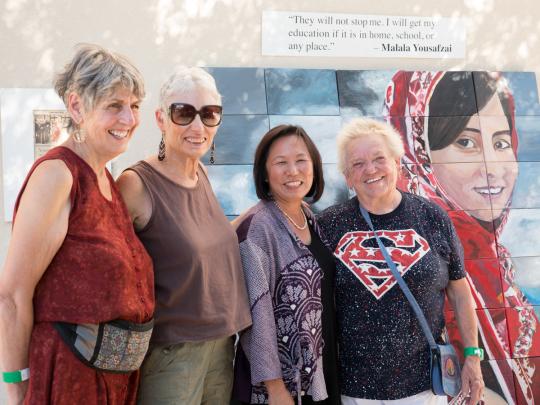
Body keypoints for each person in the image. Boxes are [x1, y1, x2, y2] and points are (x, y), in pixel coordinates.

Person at [0, 44, 154, 405]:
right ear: (76, 106)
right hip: (69, 378)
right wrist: (16, 386)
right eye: (114, 106)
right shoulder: (57, 174)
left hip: (116, 383)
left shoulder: (107, 181)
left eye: (134, 106)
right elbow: (11, 295)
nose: (129, 119)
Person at [384, 71, 540, 404]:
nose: (492, 166)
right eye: (465, 142)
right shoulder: (418, 253)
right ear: (421, 156)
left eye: (501, 143)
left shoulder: (493, 259)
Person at [317, 118, 483, 405]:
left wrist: (473, 357)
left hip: (425, 387)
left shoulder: (432, 217)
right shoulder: (329, 225)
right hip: (355, 390)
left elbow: (459, 291)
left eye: (379, 158)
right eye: (357, 164)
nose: (370, 169)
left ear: (396, 162)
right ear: (347, 176)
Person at [116, 67, 252, 405]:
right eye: (183, 113)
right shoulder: (136, 184)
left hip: (221, 345)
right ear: (161, 119)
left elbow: (203, 246)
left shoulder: (201, 172)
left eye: (208, 114)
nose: (197, 126)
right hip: (170, 354)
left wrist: (265, 211)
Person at [233, 125, 340, 405]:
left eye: (301, 160)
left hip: (319, 374)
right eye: (281, 163)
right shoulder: (258, 228)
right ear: (265, 175)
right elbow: (256, 316)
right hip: (281, 388)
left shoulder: (307, 216)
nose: (293, 171)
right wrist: (275, 389)